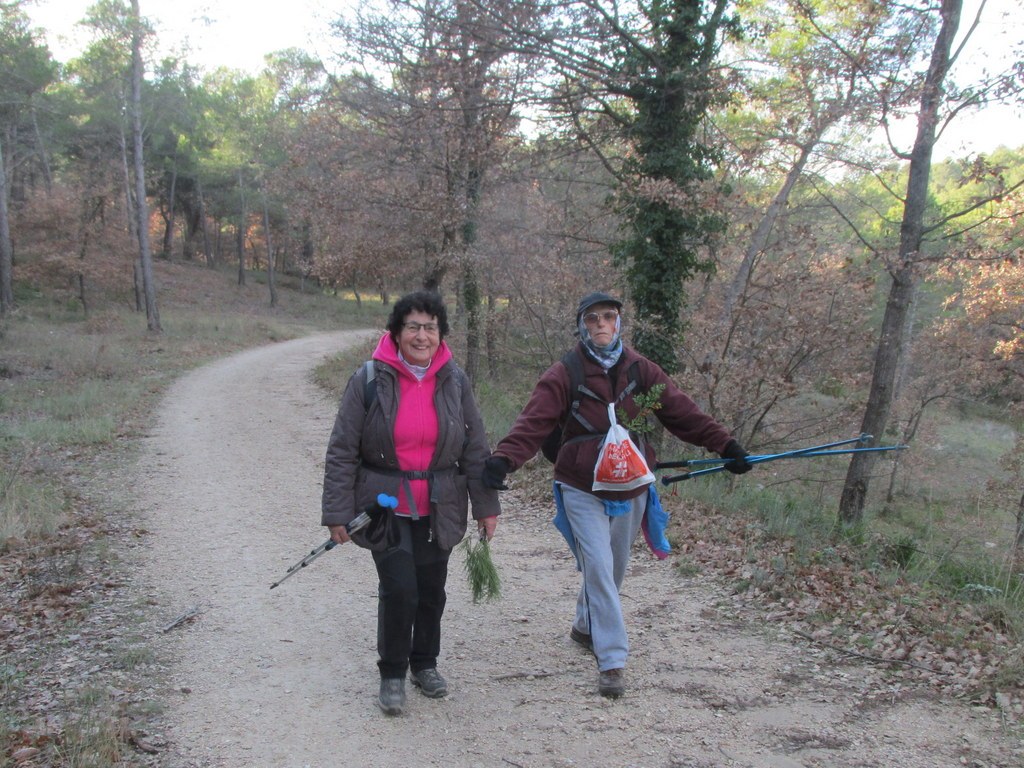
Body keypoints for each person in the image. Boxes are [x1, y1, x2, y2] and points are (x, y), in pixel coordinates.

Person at [482, 291, 751, 698]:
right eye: (593, 319)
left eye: (609, 317)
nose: (602, 325)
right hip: (580, 484)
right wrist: (504, 460)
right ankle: (611, 660)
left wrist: (726, 447)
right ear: (581, 326)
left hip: (630, 484)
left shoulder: (642, 370)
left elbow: (684, 413)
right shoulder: (564, 373)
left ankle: (585, 626)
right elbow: (533, 423)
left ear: (620, 323)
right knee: (598, 563)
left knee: (614, 567)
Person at [321, 290, 500, 716]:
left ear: (441, 334)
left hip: (440, 502)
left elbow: (475, 448)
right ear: (397, 332)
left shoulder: (455, 380)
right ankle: (393, 672)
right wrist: (337, 513)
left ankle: (425, 663)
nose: (422, 335)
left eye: (430, 327)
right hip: (384, 505)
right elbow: (342, 449)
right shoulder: (369, 378)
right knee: (401, 588)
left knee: (432, 591)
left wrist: (486, 506)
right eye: (413, 327)